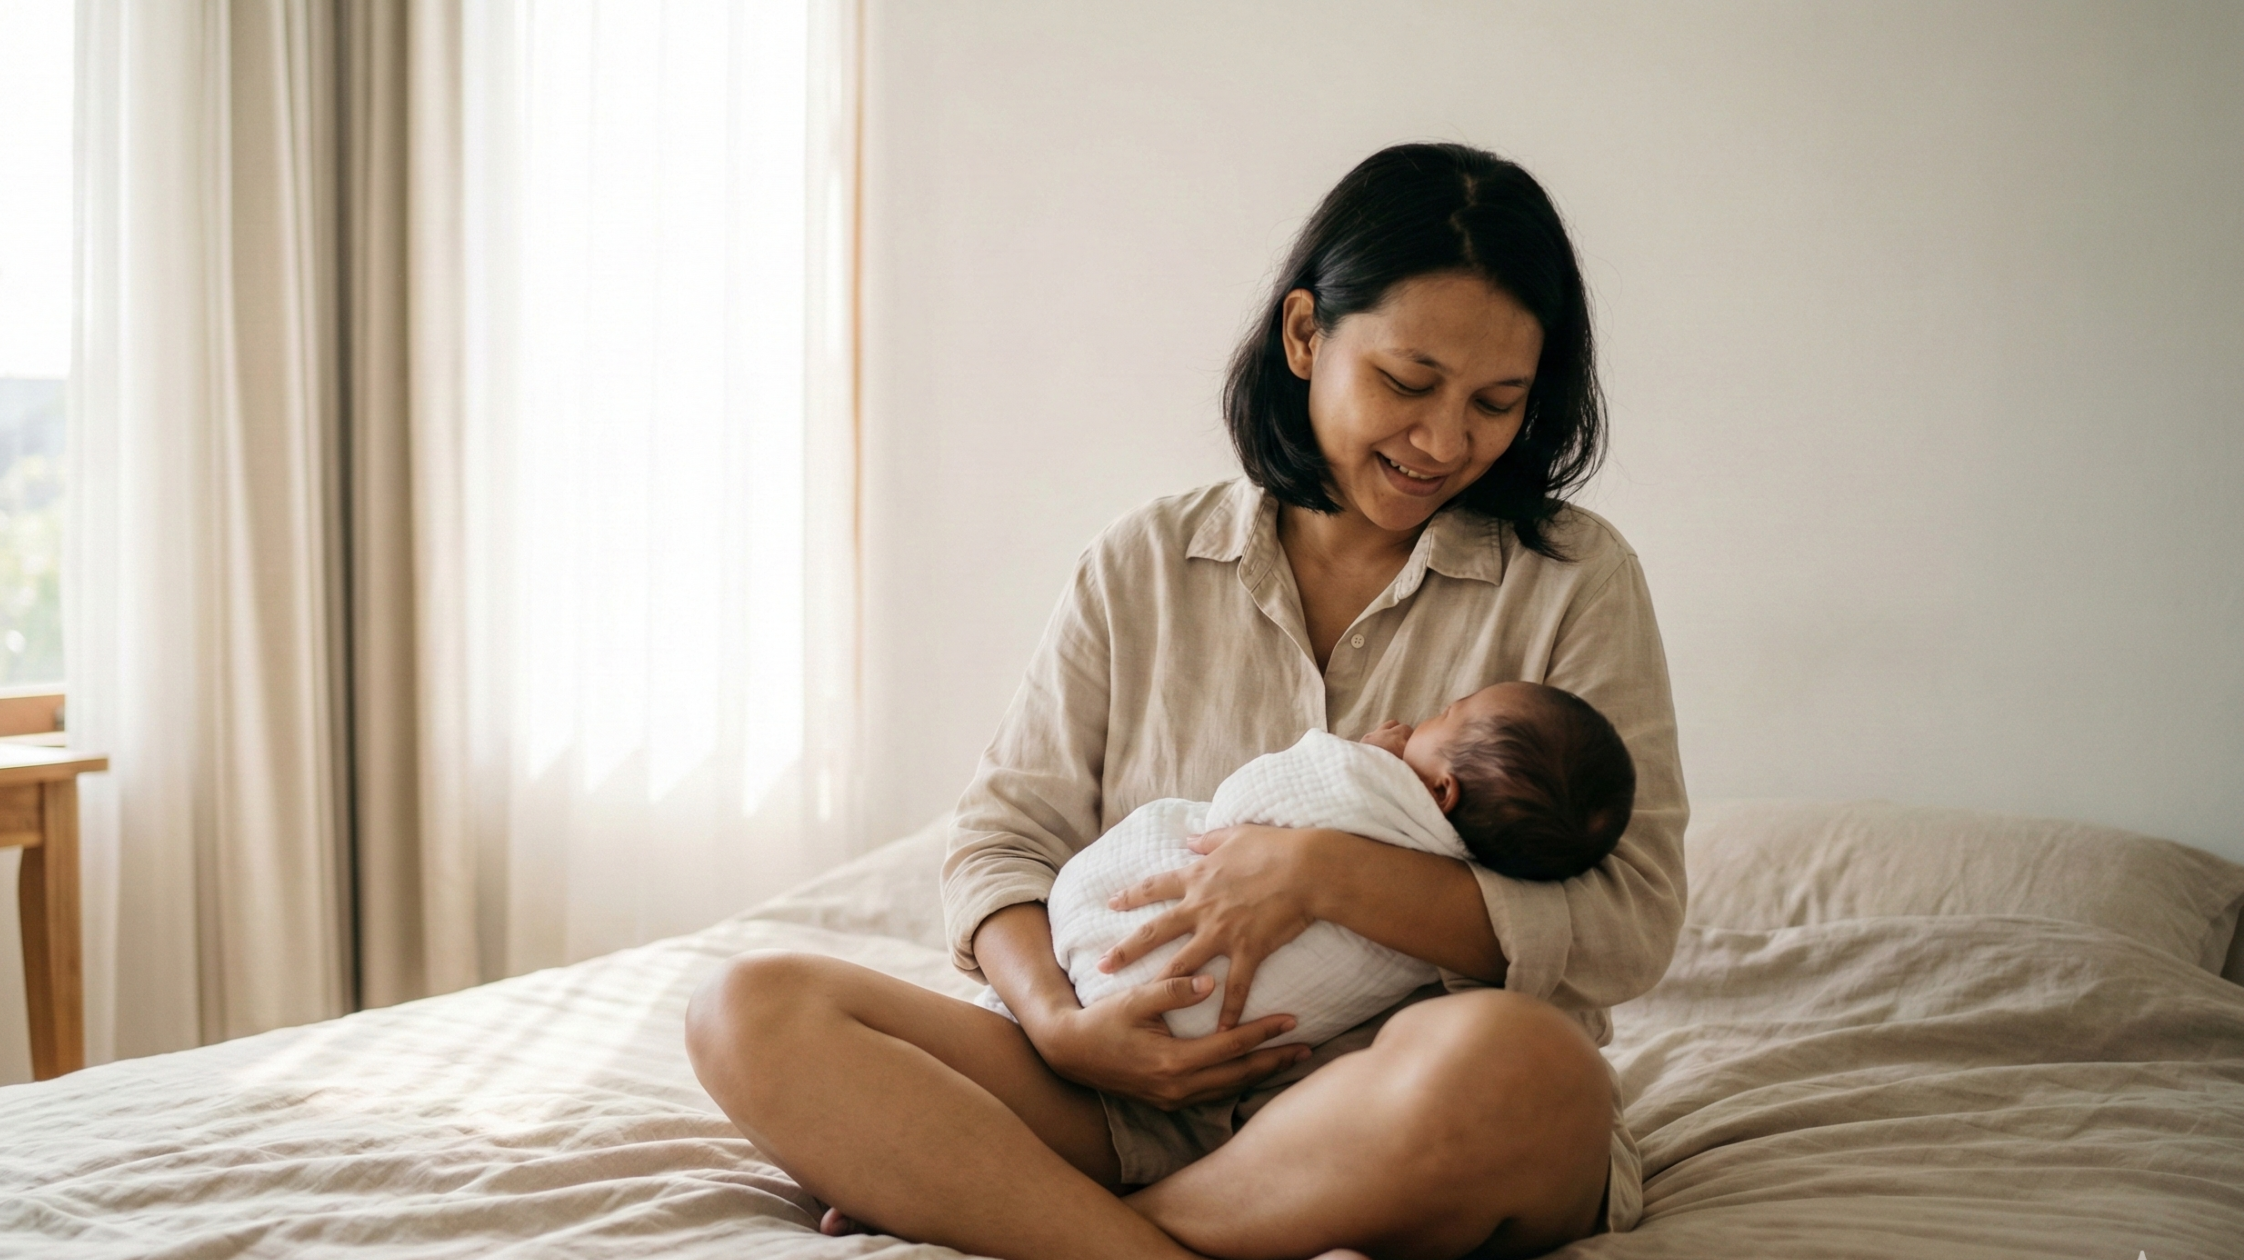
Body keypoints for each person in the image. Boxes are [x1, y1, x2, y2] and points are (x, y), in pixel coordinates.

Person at [687, 141, 1687, 1260]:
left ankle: (1048, 1223)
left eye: (1496, 403)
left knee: (1529, 1073)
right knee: (749, 1010)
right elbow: (1001, 846)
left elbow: (1628, 922)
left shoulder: (1572, 581)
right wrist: (1065, 1032)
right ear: (1305, 336)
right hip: (1117, 1093)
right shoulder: (1145, 563)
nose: (1444, 441)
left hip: (1387, 1109)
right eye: (1406, 384)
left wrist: (1322, 871)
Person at [1019, 681, 1637, 1052]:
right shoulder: (1463, 893)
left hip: (1118, 973)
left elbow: (1244, 808)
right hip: (1134, 1029)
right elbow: (1001, 837)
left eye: (1447, 714)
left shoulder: (1383, 796)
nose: (1428, 716)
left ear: (1443, 793)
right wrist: (1053, 1026)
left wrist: (1358, 760)